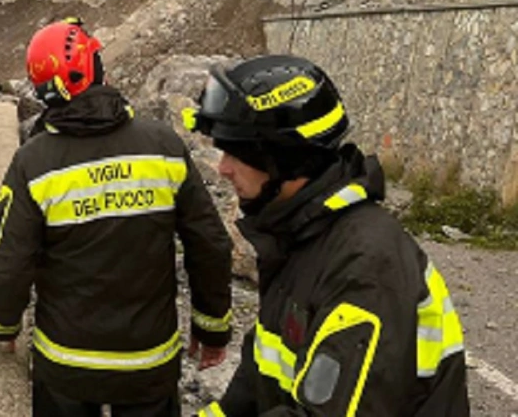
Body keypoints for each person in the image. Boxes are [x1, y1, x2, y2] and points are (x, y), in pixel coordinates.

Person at [0, 18, 234, 417]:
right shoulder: (162, 145)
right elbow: (210, 244)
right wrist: (212, 328)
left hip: (65, 368)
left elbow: (8, 262)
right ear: (94, 69)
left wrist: (1, 327)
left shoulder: (34, 162)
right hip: (149, 365)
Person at [182, 54, 470, 416]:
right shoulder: (299, 238)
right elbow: (255, 386)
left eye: (236, 153)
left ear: (284, 159)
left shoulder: (365, 264)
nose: (222, 169)